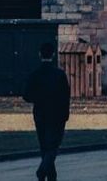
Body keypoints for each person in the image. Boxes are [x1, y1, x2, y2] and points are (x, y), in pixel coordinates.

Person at [22, 40, 71, 181]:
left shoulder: (35, 75)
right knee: (53, 146)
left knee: (44, 145)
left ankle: (51, 176)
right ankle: (43, 170)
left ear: (39, 55)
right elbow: (65, 96)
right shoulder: (59, 75)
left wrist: (38, 98)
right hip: (57, 114)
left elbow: (26, 95)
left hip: (40, 113)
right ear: (53, 54)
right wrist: (65, 114)